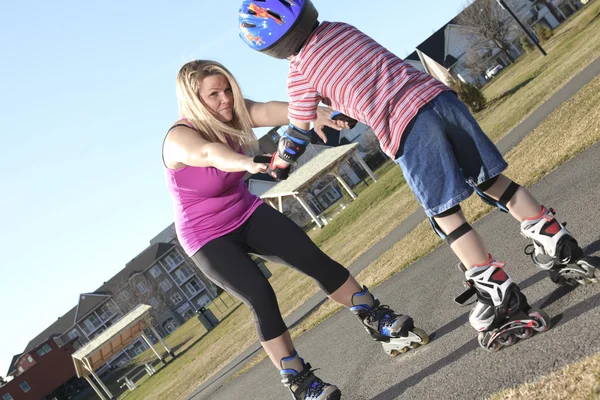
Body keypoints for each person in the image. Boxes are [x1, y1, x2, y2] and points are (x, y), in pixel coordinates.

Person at [237, 0, 599, 352]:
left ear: (269, 47)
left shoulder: (299, 73)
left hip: (409, 127)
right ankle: (557, 243)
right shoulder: (340, 30)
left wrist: (279, 166)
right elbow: (365, 76)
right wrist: (350, 109)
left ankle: (500, 296)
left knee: (445, 215)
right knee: (492, 182)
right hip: (439, 99)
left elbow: (298, 129)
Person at [162, 60, 429, 400]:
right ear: (193, 100)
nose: (225, 99)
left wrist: (314, 114)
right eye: (213, 94)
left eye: (227, 89)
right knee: (260, 293)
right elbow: (209, 153)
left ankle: (376, 317)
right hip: (206, 237)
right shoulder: (179, 137)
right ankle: (300, 382)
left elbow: (277, 110)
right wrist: (247, 162)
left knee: (311, 257)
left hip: (245, 211)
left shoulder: (236, 115)